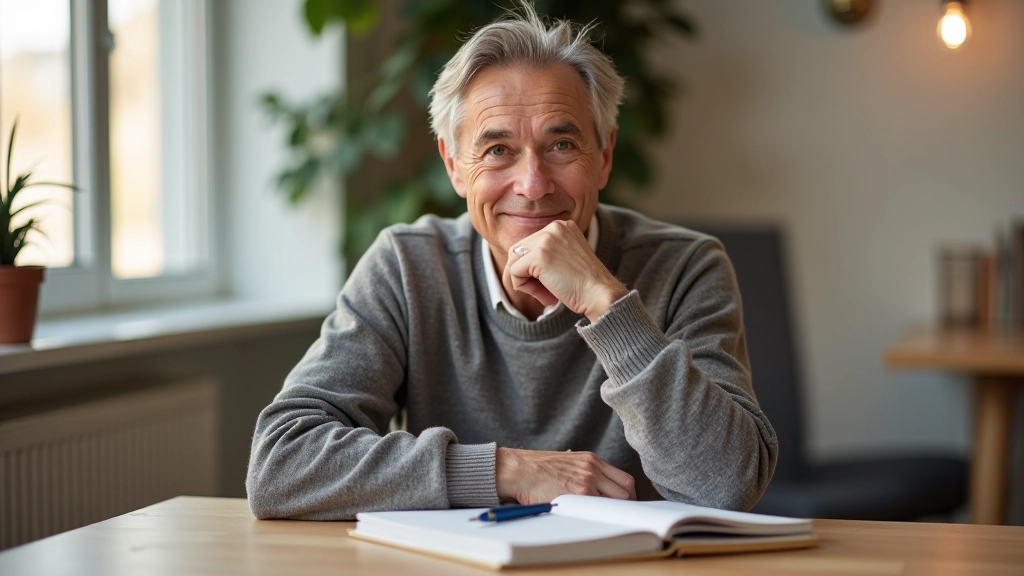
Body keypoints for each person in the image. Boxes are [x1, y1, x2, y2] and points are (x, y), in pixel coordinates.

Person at [247, 3, 777, 520]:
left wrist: (608, 306)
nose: (532, 184)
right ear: (454, 166)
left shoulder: (686, 266)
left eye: (561, 144)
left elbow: (725, 486)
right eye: (498, 150)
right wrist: (506, 469)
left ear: (604, 156)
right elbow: (280, 463)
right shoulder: (406, 267)